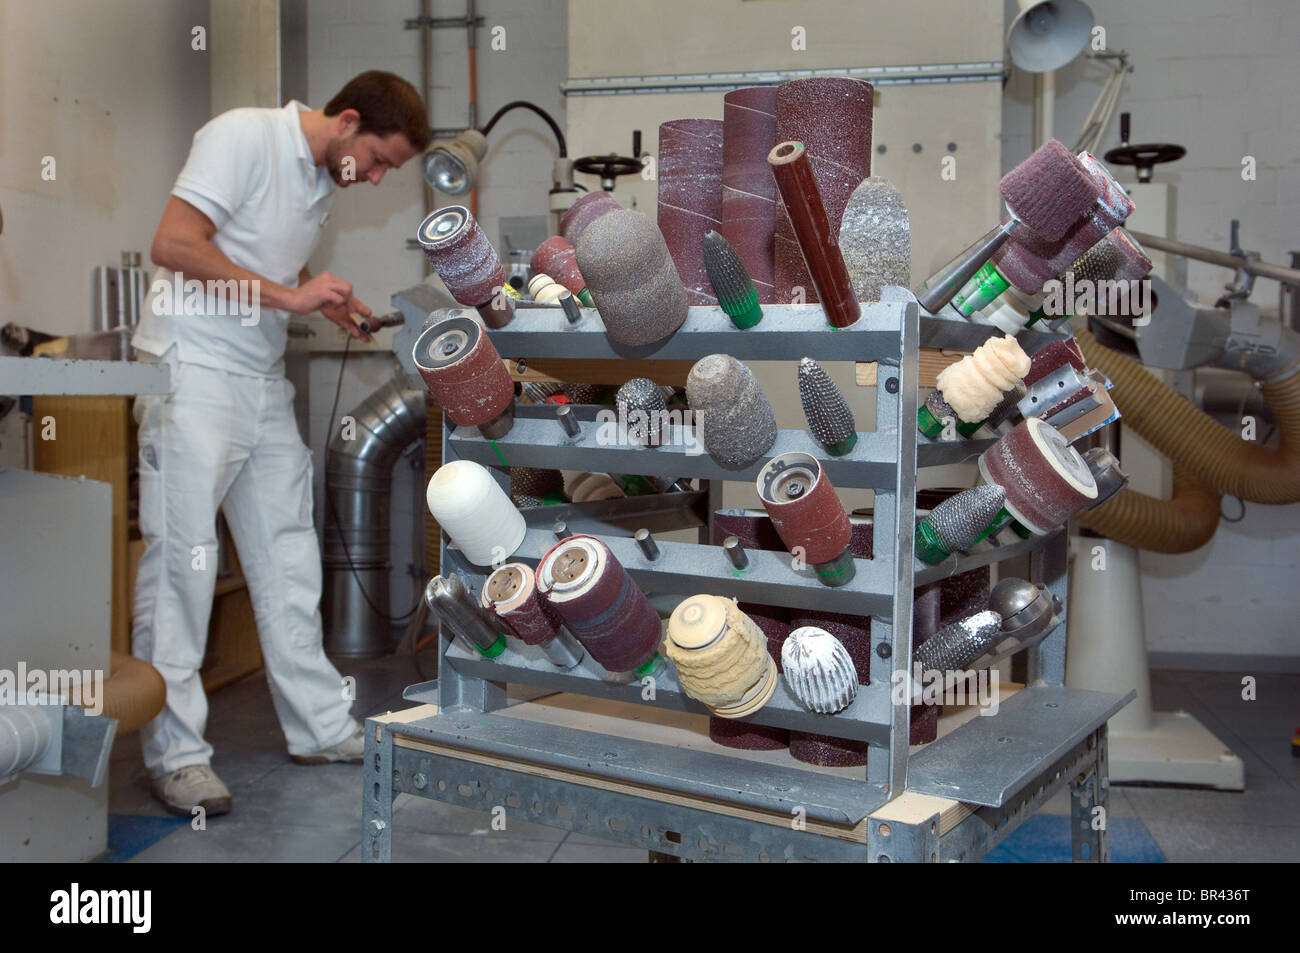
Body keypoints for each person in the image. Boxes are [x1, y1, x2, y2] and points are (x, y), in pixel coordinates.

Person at [130, 71, 430, 817]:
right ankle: (177, 756)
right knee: (184, 566)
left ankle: (320, 725)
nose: (379, 177)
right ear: (348, 120)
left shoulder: (321, 180)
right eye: (381, 159)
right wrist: (290, 295)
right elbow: (173, 242)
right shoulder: (241, 136)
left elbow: (256, 258)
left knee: (291, 556)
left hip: (257, 379)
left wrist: (322, 298)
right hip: (190, 371)